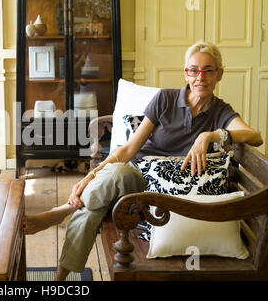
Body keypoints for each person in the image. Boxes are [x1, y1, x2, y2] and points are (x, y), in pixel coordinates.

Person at [23, 41, 264, 281]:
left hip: (170, 193)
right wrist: (89, 177)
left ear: (219, 74)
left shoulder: (220, 112)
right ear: (185, 73)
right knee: (117, 175)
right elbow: (128, 149)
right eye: (193, 70)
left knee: (91, 207)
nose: (200, 77)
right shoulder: (165, 99)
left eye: (208, 70)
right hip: (136, 181)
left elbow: (255, 137)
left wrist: (210, 135)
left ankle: (61, 220)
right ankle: (60, 276)